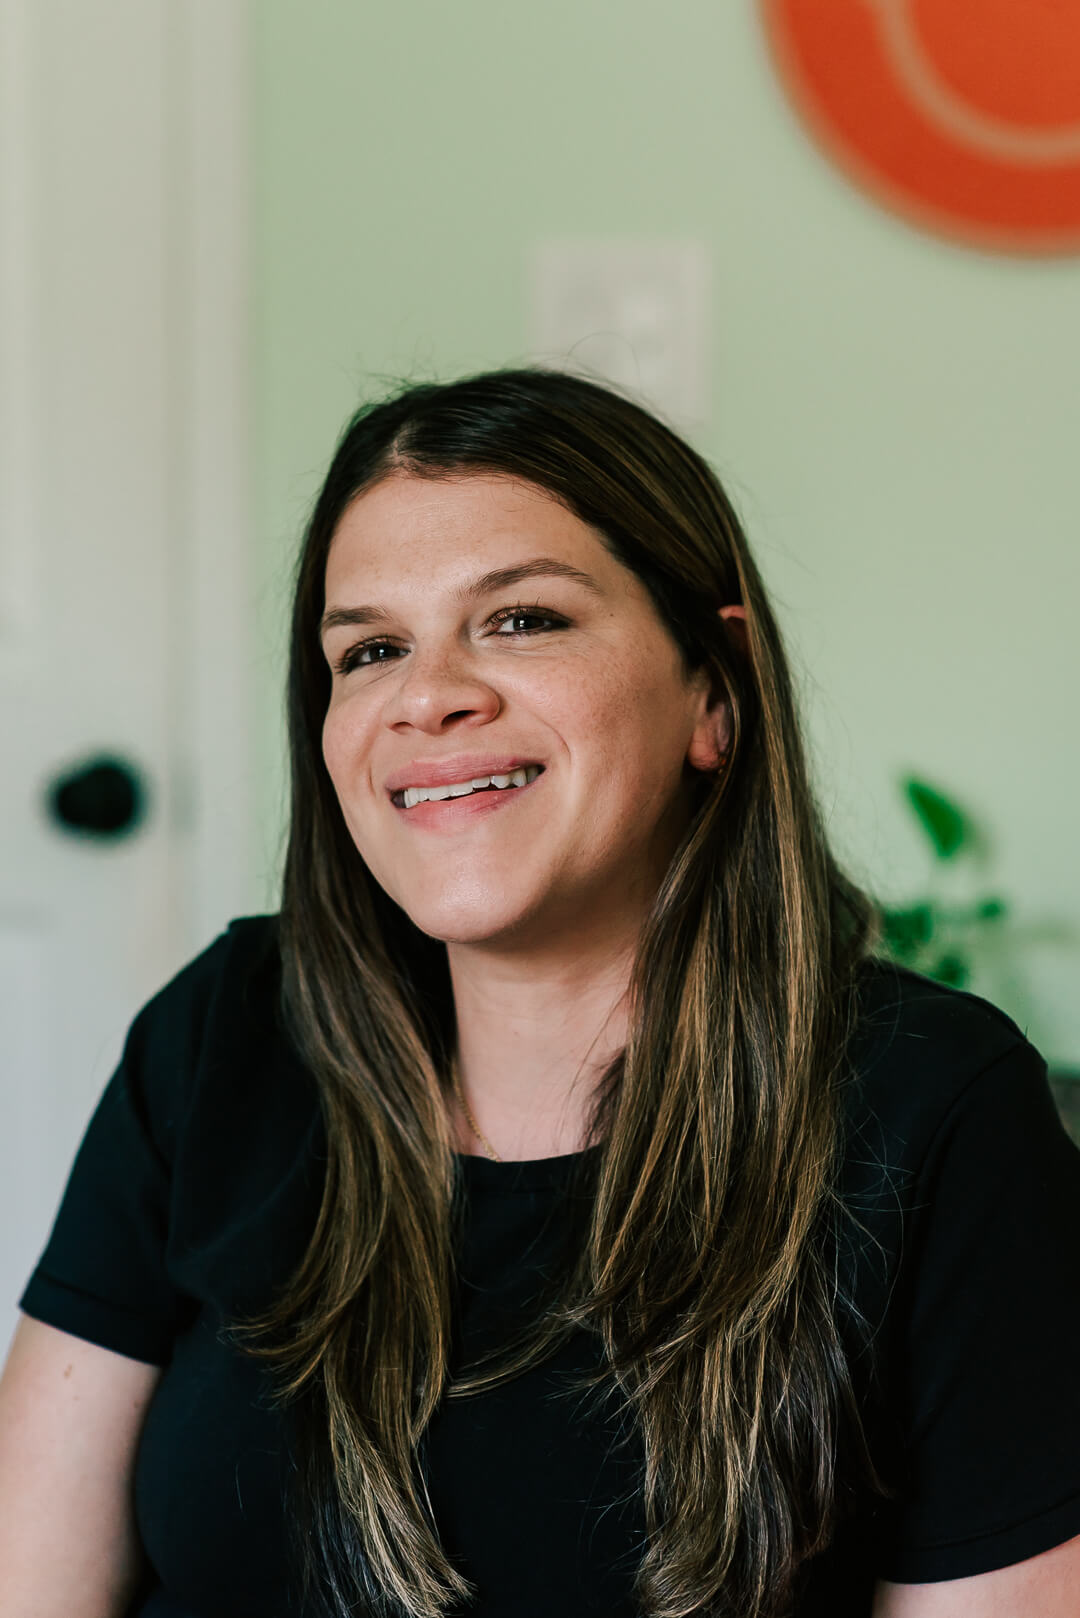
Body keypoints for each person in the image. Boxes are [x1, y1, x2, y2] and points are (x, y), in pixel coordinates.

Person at [2, 367, 1079, 1618]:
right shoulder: (224, 1032)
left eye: (521, 620)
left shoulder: (937, 1114)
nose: (427, 694)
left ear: (713, 695)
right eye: (371, 649)